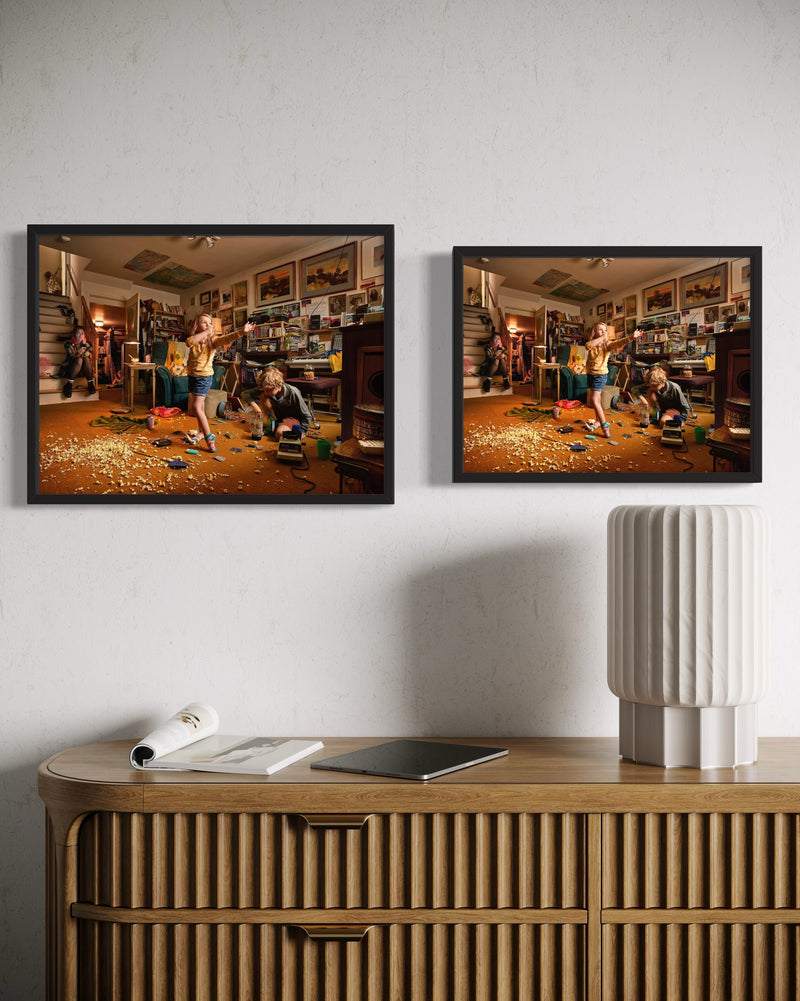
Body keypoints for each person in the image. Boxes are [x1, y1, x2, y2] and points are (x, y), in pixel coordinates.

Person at [185, 313, 240, 452]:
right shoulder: (194, 340)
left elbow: (227, 338)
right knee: (201, 408)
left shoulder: (213, 342)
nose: (208, 325)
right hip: (192, 376)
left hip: (204, 378)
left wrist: (241, 332)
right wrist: (204, 334)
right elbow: (188, 342)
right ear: (197, 326)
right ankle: (201, 432)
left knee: (196, 407)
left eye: (210, 323)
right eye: (204, 323)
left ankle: (209, 436)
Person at [584, 322, 642, 437]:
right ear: (594, 332)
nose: (603, 332)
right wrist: (600, 338)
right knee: (598, 399)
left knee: (594, 400)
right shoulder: (592, 344)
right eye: (599, 330)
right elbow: (587, 346)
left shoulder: (608, 345)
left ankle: (605, 426)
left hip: (600, 376)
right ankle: (597, 421)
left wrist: (631, 337)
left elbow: (620, 342)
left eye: (604, 330)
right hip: (590, 374)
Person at [247, 365, 312, 440]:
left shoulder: (293, 392)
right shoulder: (267, 388)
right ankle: (274, 423)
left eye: (268, 390)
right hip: (279, 418)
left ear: (279, 385)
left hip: (292, 419)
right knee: (263, 396)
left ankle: (281, 428)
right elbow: (245, 394)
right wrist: (254, 405)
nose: (265, 392)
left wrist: (302, 432)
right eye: (264, 390)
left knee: (279, 433)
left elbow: (306, 415)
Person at [61, 326, 95, 398]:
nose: (80, 335)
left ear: (84, 335)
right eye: (78, 333)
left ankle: (90, 383)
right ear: (74, 335)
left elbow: (89, 356)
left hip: (84, 370)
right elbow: (71, 357)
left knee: (86, 359)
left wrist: (83, 345)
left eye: (82, 333)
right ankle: (69, 384)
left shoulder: (89, 345)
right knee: (79, 359)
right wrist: (77, 353)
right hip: (71, 368)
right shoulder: (68, 344)